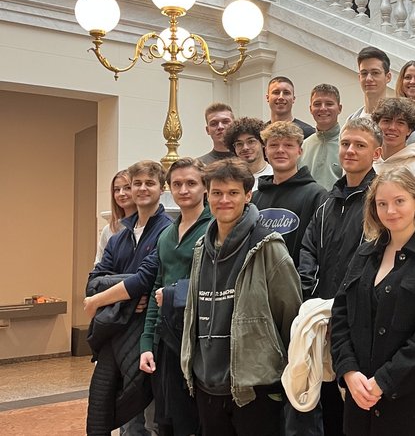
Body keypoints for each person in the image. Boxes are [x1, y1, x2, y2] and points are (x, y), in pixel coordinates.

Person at [330, 168, 415, 436]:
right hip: (360, 405)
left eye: (399, 201)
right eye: (382, 204)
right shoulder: (364, 255)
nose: (390, 211)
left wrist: (384, 381)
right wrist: (349, 371)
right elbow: (340, 317)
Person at [180, 158, 302, 436]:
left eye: (233, 193)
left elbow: (289, 315)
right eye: (217, 193)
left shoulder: (268, 246)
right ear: (207, 195)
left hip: (255, 387)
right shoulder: (200, 248)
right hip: (206, 383)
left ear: (248, 196)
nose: (224, 200)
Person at [298, 117, 384, 436]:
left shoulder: (381, 200)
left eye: (360, 145)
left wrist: (349, 302)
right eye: (345, 143)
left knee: (360, 408)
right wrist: (312, 296)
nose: (350, 150)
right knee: (329, 405)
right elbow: (308, 248)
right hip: (324, 316)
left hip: (362, 318)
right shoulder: (327, 201)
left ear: (376, 153)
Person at [85, 160, 173, 436]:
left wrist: (99, 301)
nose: (142, 189)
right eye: (137, 184)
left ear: (162, 188)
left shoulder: (167, 231)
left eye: (149, 183)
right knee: (111, 412)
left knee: (148, 417)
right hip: (117, 331)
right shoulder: (119, 237)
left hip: (149, 335)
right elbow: (93, 282)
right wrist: (128, 296)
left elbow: (146, 279)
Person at [139, 157, 212, 436]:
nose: (184, 190)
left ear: (204, 187)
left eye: (191, 183)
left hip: (199, 339)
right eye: (177, 184)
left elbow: (217, 282)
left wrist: (173, 294)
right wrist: (147, 342)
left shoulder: (214, 228)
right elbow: (156, 286)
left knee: (195, 422)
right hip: (167, 339)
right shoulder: (167, 235)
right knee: (167, 423)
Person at [251, 121, 328, 267]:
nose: (280, 150)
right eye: (274, 145)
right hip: (259, 279)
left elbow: (319, 249)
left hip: (298, 280)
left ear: (299, 151)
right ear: (265, 151)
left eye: (288, 145)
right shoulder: (254, 199)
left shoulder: (317, 196)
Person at [300, 84, 344, 190]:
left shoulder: (348, 145)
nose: (323, 108)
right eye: (317, 104)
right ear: (310, 109)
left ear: (339, 108)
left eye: (329, 104)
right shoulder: (302, 147)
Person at [371, 98, 415, 176]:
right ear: (376, 125)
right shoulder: (367, 162)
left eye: (400, 123)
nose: (392, 128)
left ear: (409, 130)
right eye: (386, 121)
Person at [95, 170, 136, 264]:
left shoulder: (143, 226)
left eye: (127, 188)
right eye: (117, 190)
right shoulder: (109, 229)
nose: (121, 193)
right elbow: (99, 264)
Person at [224, 116, 271, 191]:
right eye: (239, 144)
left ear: (262, 142)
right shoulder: (229, 178)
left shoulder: (274, 175)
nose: (245, 147)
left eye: (251, 141)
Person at [347, 46, 392, 122]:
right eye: (364, 73)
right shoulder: (351, 120)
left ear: (388, 77)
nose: (368, 79)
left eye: (375, 73)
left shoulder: (400, 119)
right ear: (359, 77)